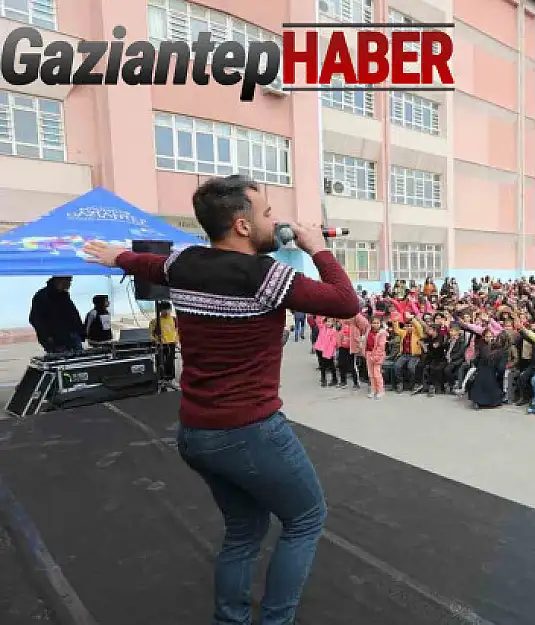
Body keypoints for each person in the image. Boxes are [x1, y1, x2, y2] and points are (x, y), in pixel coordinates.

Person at [82, 174, 359, 625]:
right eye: (267, 214)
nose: (277, 222)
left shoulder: (187, 262)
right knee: (307, 517)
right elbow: (346, 303)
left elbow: (153, 267)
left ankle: (231, 619)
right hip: (249, 431)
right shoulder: (266, 276)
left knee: (244, 531)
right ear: (243, 226)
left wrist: (120, 257)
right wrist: (317, 248)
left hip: (196, 432)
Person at [29, 275, 83, 353]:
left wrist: (80, 331)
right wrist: (47, 338)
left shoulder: (64, 295)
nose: (70, 284)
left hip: (72, 337)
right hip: (56, 341)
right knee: (61, 362)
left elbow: (73, 315)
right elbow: (35, 319)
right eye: (68, 281)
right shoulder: (42, 296)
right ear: (60, 280)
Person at [148, 301, 179, 386]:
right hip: (160, 344)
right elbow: (150, 334)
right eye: (164, 310)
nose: (166, 312)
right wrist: (155, 340)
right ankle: (160, 379)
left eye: (168, 310)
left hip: (171, 343)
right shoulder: (154, 321)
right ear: (160, 310)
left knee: (170, 362)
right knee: (159, 362)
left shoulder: (174, 319)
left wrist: (176, 340)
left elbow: (177, 331)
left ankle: (171, 379)